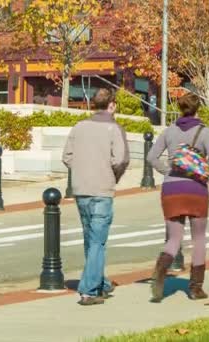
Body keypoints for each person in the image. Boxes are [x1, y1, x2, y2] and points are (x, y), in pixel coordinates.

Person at [146, 93, 209, 303]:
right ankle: (196, 288)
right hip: (196, 189)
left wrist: (168, 170)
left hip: (171, 188)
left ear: (180, 109)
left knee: (174, 238)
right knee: (199, 238)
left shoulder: (169, 131)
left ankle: (160, 271)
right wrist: (201, 171)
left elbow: (151, 157)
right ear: (198, 109)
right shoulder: (205, 132)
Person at [62, 88, 130, 306]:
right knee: (98, 241)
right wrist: (112, 175)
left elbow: (67, 156)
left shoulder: (79, 127)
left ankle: (99, 282)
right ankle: (89, 290)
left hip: (81, 189)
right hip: (102, 190)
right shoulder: (114, 128)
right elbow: (120, 160)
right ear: (112, 106)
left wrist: (82, 169)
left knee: (90, 239)